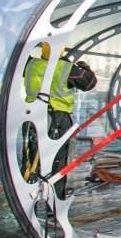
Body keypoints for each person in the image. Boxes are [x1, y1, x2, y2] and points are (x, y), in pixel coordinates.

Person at [23, 42, 97, 199]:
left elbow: (19, 59)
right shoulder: (67, 68)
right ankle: (54, 202)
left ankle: (28, 199)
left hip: (31, 118)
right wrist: (85, 68)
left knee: (31, 158)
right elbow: (89, 83)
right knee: (57, 160)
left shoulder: (31, 64)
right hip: (57, 118)